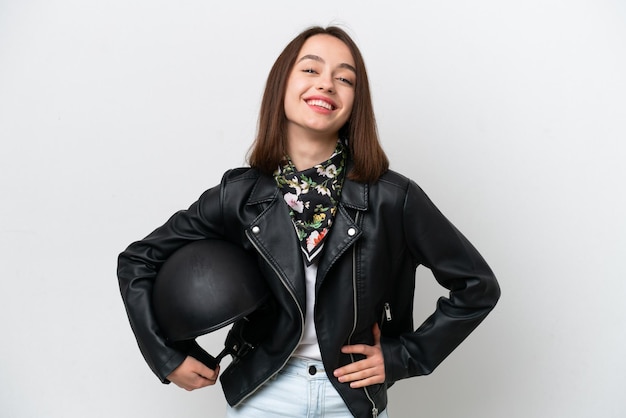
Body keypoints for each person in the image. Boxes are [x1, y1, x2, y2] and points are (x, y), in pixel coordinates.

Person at [117, 25, 501, 418]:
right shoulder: (240, 196)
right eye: (311, 70)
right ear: (282, 85)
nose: (328, 84)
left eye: (345, 78)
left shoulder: (393, 198)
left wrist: (405, 356)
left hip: (350, 399)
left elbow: (476, 286)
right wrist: (166, 358)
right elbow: (138, 260)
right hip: (264, 395)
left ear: (355, 101)